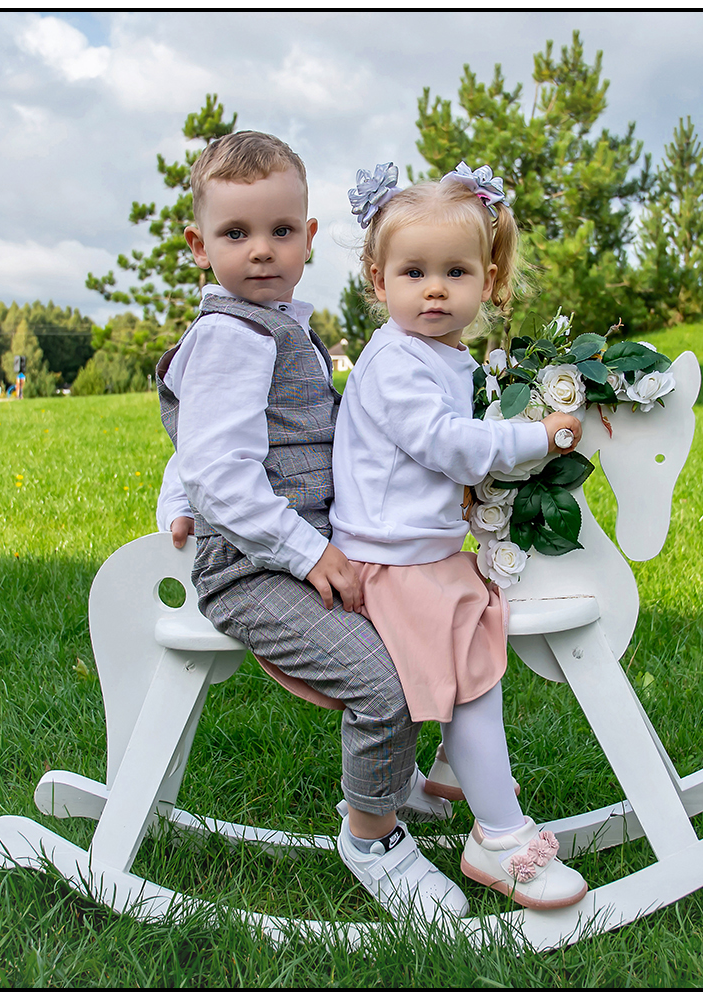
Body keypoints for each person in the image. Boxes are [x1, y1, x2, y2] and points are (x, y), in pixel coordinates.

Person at [153, 131, 469, 920]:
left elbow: (208, 439)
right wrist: (304, 551)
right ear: (199, 245)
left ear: (309, 237)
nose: (261, 249)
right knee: (381, 681)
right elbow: (218, 468)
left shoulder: (275, 324)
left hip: (301, 550)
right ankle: (372, 837)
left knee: (414, 631)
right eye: (235, 232)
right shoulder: (231, 333)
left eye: (281, 230)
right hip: (251, 569)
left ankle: (391, 780)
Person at [328, 161, 588, 910]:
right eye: (414, 273)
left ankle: (449, 771)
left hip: (423, 553)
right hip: (391, 563)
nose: (434, 290)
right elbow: (446, 444)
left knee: (482, 642)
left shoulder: (444, 356)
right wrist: (539, 438)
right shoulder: (395, 362)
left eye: (455, 272)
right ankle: (498, 838)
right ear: (378, 281)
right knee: (473, 677)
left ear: (488, 280)